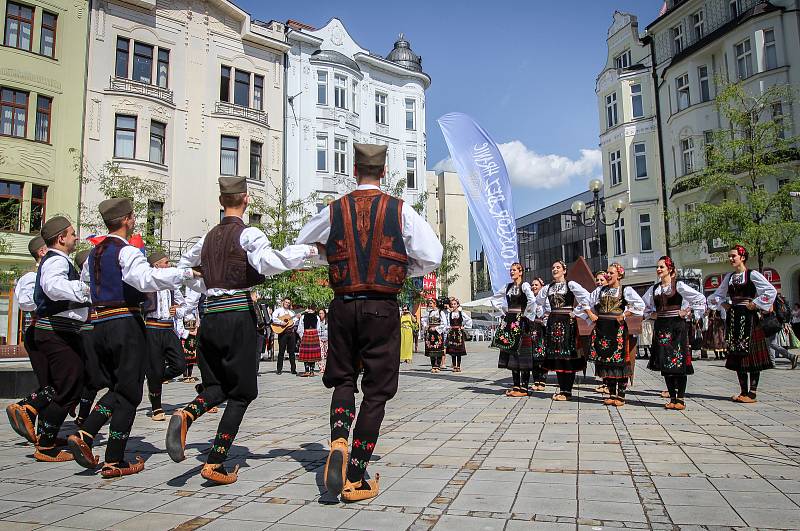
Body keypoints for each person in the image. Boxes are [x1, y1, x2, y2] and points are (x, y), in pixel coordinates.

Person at [297, 142, 442, 502]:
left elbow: (303, 243)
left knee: (343, 378)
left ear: (354, 170)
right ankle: (356, 475)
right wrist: (402, 268)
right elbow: (433, 255)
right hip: (382, 305)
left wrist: (332, 258)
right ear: (383, 170)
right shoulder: (400, 209)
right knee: (377, 390)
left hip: (343, 305)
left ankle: (339, 440)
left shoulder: (334, 209)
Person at [166, 177, 316, 485]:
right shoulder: (248, 233)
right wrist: (308, 252)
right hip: (237, 315)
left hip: (210, 317)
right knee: (243, 392)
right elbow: (268, 261)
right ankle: (216, 461)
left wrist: (201, 287)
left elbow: (185, 268)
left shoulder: (205, 239)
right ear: (246, 199)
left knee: (217, 386)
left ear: (222, 202)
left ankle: (187, 414)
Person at [65, 199, 195, 478]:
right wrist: (185, 273)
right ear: (126, 219)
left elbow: (86, 288)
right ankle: (113, 458)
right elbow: (146, 279)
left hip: (99, 323)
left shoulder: (94, 253)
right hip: (124, 322)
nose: (135, 220)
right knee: (130, 391)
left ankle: (86, 434)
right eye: (133, 216)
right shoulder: (127, 251)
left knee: (117, 386)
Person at [707, 245, 777, 403]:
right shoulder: (730, 277)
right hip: (735, 317)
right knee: (738, 354)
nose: (731, 259)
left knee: (752, 355)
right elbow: (717, 295)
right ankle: (743, 391)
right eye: (730, 256)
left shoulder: (752, 274)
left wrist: (756, 303)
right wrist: (723, 304)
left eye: (734, 256)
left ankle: (752, 393)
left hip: (750, 318)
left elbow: (770, 290)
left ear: (742, 257)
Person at [642, 256, 706, 410]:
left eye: (662, 267)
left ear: (670, 269)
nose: (658, 269)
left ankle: (681, 399)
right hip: (662, 327)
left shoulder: (679, 286)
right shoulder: (655, 289)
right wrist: (650, 314)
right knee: (665, 361)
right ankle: (672, 398)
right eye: (658, 267)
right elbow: (642, 305)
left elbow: (700, 298)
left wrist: (688, 312)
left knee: (678, 361)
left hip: (677, 327)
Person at [6, 236, 51, 444]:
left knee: (53, 382)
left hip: (52, 332)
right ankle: (25, 408)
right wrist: (48, 295)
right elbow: (25, 302)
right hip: (40, 330)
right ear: (42, 252)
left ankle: (43, 430)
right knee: (52, 383)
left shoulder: (50, 273)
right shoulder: (31, 277)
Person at [585, 263, 645, 407]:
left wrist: (625, 314)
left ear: (619, 274)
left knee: (620, 362)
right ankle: (612, 394)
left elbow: (640, 305)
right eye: (607, 273)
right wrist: (591, 314)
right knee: (605, 360)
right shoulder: (600, 290)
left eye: (611, 273)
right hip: (602, 328)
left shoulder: (625, 290)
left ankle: (621, 395)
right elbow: (585, 302)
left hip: (617, 329)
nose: (608, 275)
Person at [536, 260, 592, 401]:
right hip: (553, 322)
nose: (555, 269)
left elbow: (587, 297)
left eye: (558, 267)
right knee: (557, 356)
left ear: (564, 270)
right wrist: (543, 315)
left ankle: (567, 391)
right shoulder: (547, 288)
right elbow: (537, 303)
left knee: (568, 355)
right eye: (553, 267)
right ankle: (563, 390)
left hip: (568, 322)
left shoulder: (570, 285)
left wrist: (577, 312)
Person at [143, 251, 188, 421]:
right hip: (152, 328)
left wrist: (177, 311)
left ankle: (155, 380)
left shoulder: (171, 285)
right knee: (154, 366)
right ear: (156, 265)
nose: (169, 265)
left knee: (180, 365)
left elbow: (183, 306)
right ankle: (156, 407)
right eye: (166, 262)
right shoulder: (146, 283)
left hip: (168, 328)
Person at [493, 263, 535, 397]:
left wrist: (526, 315)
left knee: (523, 353)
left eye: (515, 270)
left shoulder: (525, 285)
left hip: (521, 321)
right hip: (510, 320)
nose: (512, 272)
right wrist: (503, 311)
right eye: (511, 270)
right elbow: (495, 299)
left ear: (521, 272)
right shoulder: (508, 286)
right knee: (512, 352)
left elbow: (532, 300)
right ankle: (516, 385)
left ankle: (524, 388)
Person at [529, 278, 548, 391]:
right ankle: (536, 380)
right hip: (531, 329)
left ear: (541, 287)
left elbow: (547, 312)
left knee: (542, 355)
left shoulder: (546, 300)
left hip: (542, 328)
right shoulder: (530, 299)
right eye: (532, 285)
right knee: (532, 356)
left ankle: (543, 381)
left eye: (536, 285)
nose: (534, 286)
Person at [272, 298, 299, 375]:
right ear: (283, 302)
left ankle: (293, 369)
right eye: (286, 302)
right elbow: (273, 318)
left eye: (288, 303)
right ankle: (279, 369)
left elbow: (292, 321)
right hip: (283, 332)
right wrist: (281, 322)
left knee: (292, 352)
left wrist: (297, 318)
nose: (287, 303)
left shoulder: (291, 312)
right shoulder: (278, 310)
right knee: (281, 351)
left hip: (291, 333)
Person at [446, 298, 472, 373]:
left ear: (457, 305)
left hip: (459, 333)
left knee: (459, 350)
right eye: (452, 304)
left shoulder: (461, 313)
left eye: (455, 304)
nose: (453, 305)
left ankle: (458, 366)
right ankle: (454, 366)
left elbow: (469, 320)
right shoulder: (449, 314)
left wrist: (464, 326)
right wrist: (448, 328)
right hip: (452, 332)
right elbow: (447, 323)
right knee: (452, 350)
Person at [423, 299, 447, 372]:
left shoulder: (440, 312)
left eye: (431, 303)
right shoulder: (428, 313)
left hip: (438, 333)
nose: (430, 305)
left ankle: (438, 365)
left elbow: (444, 323)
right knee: (431, 349)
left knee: (439, 348)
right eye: (429, 303)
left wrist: (436, 328)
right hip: (430, 332)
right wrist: (426, 326)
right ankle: (433, 365)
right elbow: (423, 320)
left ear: (435, 303)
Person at [298, 309, 322, 377]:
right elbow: (318, 328)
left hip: (308, 334)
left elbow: (300, 328)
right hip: (311, 334)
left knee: (309, 353)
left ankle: (309, 371)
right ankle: (309, 371)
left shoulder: (305, 316)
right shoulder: (315, 317)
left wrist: (302, 336)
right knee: (310, 354)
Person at [318, 309, 329, 373]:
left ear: (325, 314)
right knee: (320, 354)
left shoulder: (328, 321)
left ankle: (327, 368)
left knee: (327, 354)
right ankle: (321, 368)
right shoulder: (317, 321)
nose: (320, 315)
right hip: (320, 338)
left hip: (327, 338)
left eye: (322, 313)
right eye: (319, 313)